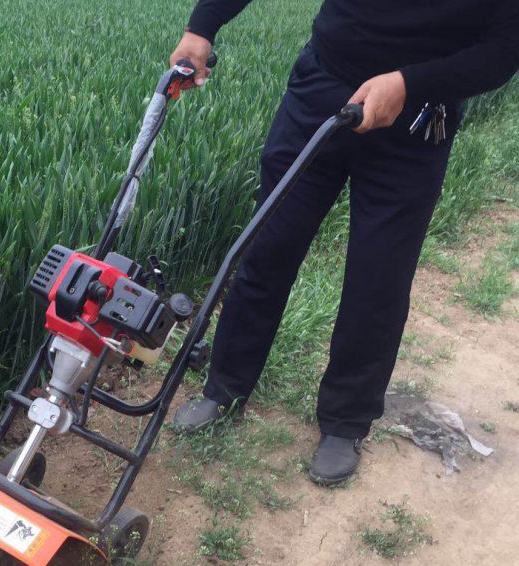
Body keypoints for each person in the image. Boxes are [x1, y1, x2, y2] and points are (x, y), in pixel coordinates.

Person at [169, 0, 519, 485]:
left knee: (380, 277)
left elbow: (503, 52)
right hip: (323, 85)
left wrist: (407, 83)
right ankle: (225, 386)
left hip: (417, 117)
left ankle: (345, 420)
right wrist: (201, 27)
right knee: (269, 243)